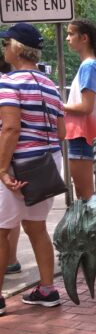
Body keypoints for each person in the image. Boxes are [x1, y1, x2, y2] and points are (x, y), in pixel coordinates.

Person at [0, 23, 66, 315]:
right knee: (36, 228)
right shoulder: (50, 85)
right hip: (47, 166)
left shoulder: (9, 82)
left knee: (1, 232)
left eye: (5, 44)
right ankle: (48, 289)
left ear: (16, 48)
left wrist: (2, 170)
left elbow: (11, 127)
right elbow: (61, 132)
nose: (3, 49)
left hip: (19, 167)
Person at [64, 19, 96, 199]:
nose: (67, 38)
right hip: (84, 136)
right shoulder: (91, 65)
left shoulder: (89, 66)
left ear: (84, 38)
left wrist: (59, 106)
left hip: (82, 136)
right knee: (85, 195)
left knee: (85, 197)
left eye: (71, 34)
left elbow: (86, 107)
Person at [0, 55, 21, 275]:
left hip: (6, 158)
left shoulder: (5, 85)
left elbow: (11, 128)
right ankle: (11, 260)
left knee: (4, 223)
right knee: (10, 217)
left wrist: (3, 169)